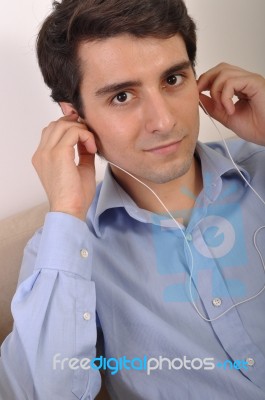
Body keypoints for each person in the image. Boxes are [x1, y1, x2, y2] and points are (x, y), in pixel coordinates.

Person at [0, 0, 265, 398]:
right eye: (122, 96)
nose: (164, 121)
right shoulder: (63, 253)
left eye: (173, 79)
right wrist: (68, 213)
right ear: (74, 116)